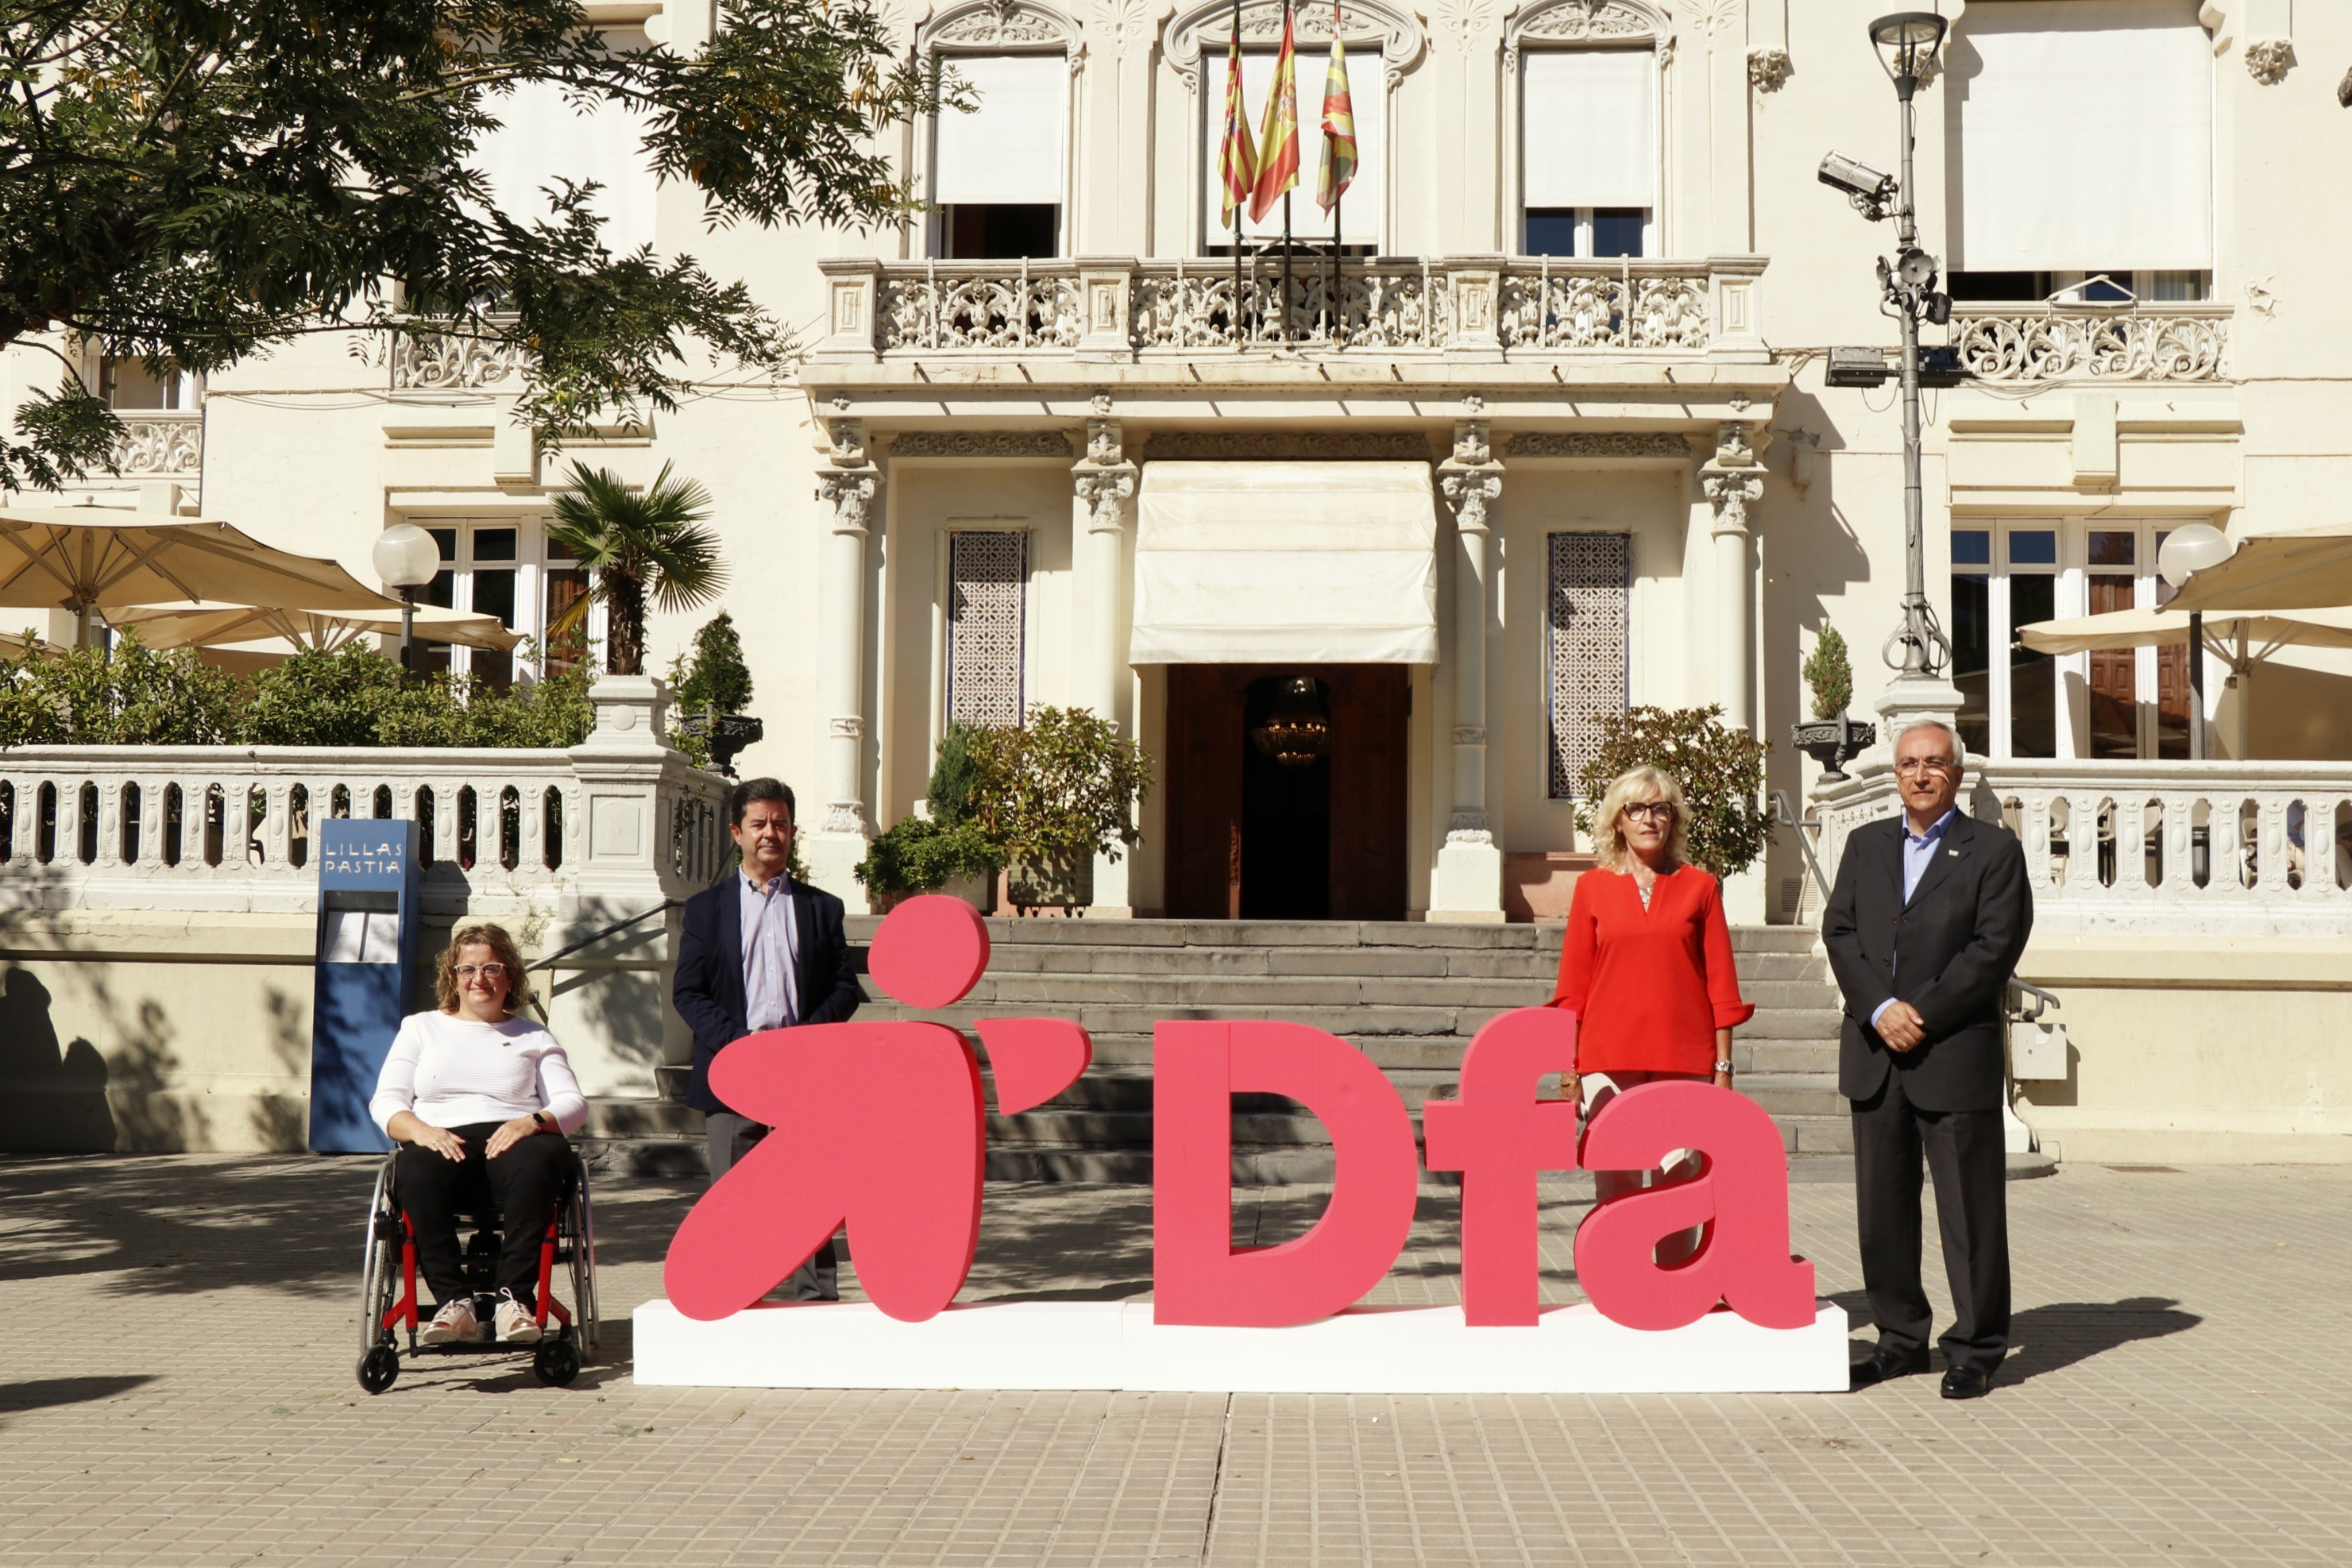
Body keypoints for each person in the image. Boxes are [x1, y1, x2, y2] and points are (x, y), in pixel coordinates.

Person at [1824, 718, 2032, 1400]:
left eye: (1934, 763)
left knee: (1969, 1215)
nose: (1920, 774)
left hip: (1949, 1054)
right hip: (1876, 1053)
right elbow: (1841, 931)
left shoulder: (1993, 852)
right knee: (1881, 1212)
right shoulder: (1863, 844)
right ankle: (1899, 1340)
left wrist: (1922, 1013)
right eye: (1909, 763)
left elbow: (1993, 948)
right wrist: (1880, 1009)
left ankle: (1976, 1347)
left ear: (1957, 774)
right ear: (1894, 774)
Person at [1549, 765, 1755, 1261]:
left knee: (1678, 1180)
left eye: (1659, 808)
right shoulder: (1592, 888)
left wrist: (1723, 1070)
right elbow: (1572, 987)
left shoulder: (1700, 887)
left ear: (1673, 820)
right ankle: (1618, 1283)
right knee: (1615, 1183)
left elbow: (1721, 986)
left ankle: (1676, 1289)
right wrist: (1569, 1069)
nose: (1648, 818)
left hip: (1684, 1059)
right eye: (1636, 808)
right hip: (1606, 1057)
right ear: (1617, 820)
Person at [672, 777, 863, 1300]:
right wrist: (740, 1047)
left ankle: (815, 1299)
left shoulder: (822, 907)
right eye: (758, 823)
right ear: (737, 831)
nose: (769, 833)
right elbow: (688, 993)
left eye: (779, 823)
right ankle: (738, 1293)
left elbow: (845, 989)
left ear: (792, 831)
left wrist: (801, 1041)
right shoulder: (707, 910)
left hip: (805, 1073)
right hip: (734, 1074)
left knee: (812, 1193)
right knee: (736, 1197)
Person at [370, 922, 586, 1346]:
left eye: (491, 968)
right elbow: (387, 1103)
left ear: (510, 977)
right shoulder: (420, 1027)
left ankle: (512, 1302)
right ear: (453, 977)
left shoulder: (533, 1035)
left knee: (541, 1158)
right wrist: (421, 1131)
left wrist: (532, 1122)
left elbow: (573, 1103)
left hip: (517, 1140)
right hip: (441, 1139)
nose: (478, 979)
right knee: (413, 1167)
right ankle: (456, 1303)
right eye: (467, 970)